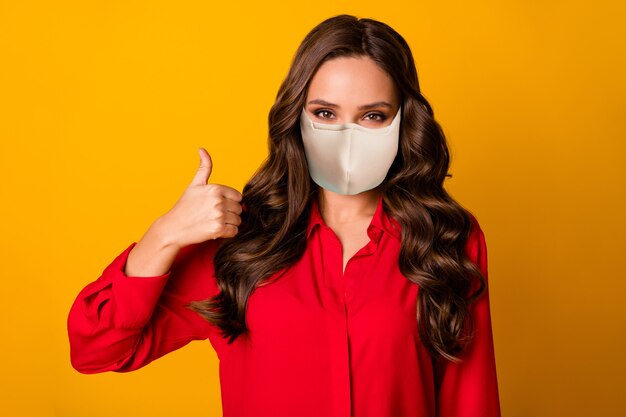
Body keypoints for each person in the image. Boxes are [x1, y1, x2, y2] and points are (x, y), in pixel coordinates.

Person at [67, 14, 501, 417]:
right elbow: (98, 349)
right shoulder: (240, 240)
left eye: (372, 115)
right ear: (298, 117)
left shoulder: (446, 238)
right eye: (325, 113)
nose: (346, 135)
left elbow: (470, 398)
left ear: (404, 122)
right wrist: (164, 235)